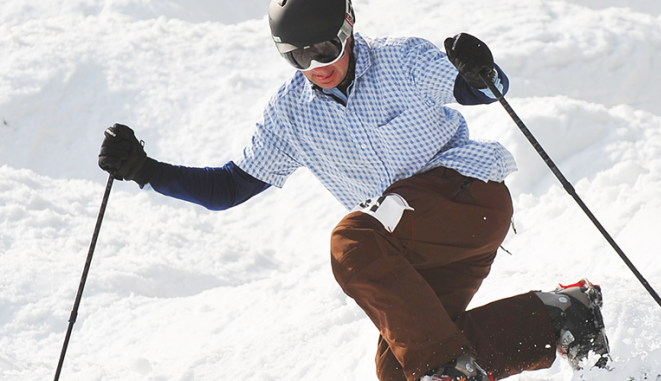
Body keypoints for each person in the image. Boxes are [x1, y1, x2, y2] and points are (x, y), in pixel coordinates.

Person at [98, 0, 610, 380]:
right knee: (402, 370)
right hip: (413, 247)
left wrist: (481, 68)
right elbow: (229, 187)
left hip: (468, 198)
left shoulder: (402, 61)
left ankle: (451, 370)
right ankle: (561, 318)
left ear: (348, 26)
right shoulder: (291, 114)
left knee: (352, 240)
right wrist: (146, 169)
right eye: (297, 57)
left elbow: (476, 89)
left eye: (326, 47)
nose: (316, 64)